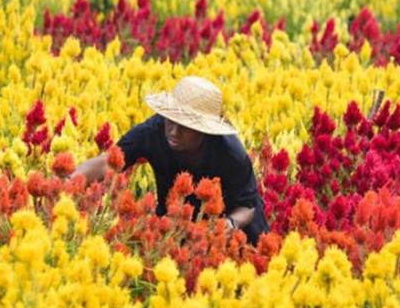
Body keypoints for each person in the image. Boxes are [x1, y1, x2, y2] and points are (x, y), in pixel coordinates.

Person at [72, 75, 270, 244]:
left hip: (232, 235)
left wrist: (230, 224)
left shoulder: (230, 153)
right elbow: (110, 161)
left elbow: (248, 206)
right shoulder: (153, 131)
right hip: (174, 225)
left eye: (185, 125)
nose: (174, 131)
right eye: (171, 120)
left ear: (204, 129)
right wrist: (69, 179)